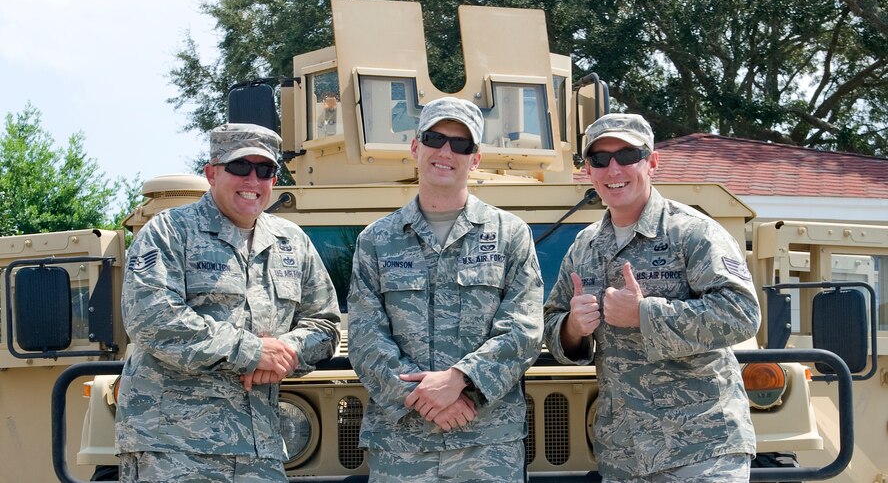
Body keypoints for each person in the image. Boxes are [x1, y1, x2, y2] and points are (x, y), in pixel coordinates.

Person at [115, 123, 341, 482]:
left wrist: (285, 351)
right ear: (211, 173)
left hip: (260, 446)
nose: (253, 180)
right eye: (240, 167)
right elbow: (152, 319)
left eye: (265, 170)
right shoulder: (170, 232)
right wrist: (252, 351)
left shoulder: (291, 242)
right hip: (175, 447)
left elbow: (325, 325)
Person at [542, 114, 761, 482]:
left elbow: (742, 313)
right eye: (599, 159)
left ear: (652, 162)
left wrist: (645, 314)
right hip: (623, 453)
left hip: (701, 446)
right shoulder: (584, 246)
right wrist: (572, 328)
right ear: (589, 172)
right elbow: (552, 323)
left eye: (628, 155)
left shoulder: (692, 232)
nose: (613, 168)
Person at [347, 97, 544, 482]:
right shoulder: (376, 240)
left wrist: (459, 380)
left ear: (476, 158)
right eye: (435, 138)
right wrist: (424, 398)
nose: (446, 151)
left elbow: (524, 329)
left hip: (487, 445)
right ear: (416, 147)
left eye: (461, 143)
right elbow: (365, 336)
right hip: (401, 446)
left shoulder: (510, 235)